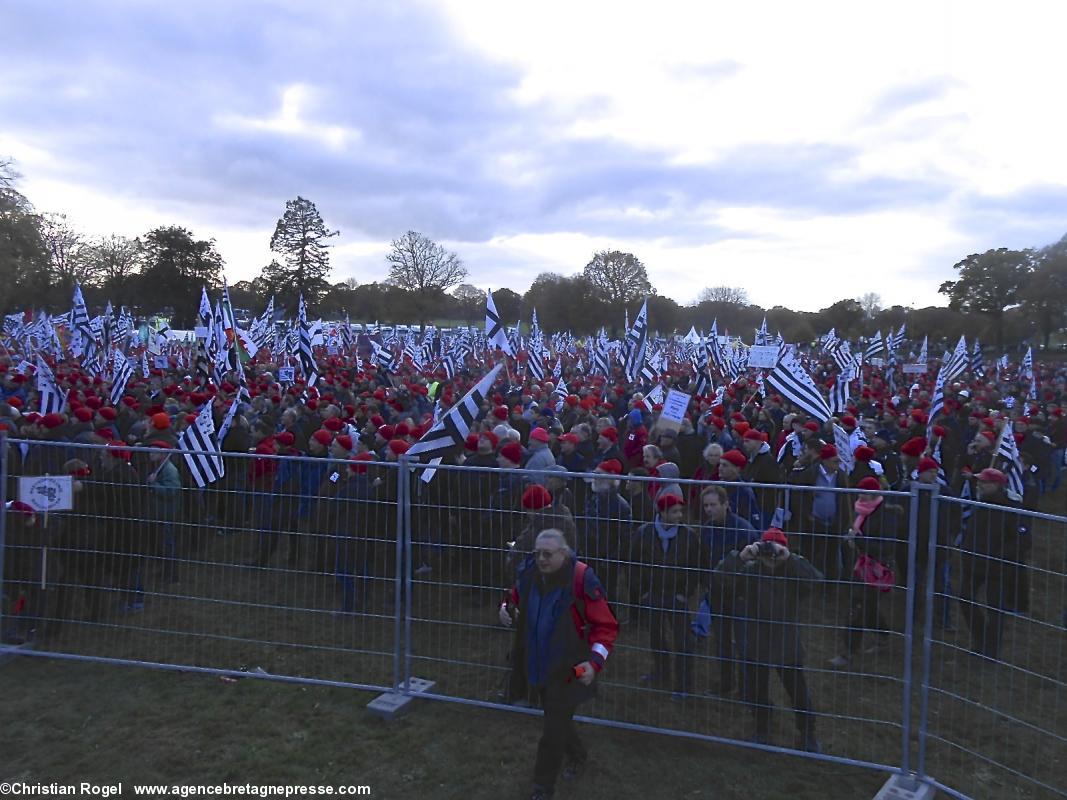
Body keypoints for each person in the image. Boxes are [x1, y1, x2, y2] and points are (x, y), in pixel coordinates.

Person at [500, 529, 619, 800]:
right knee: (557, 719)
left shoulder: (581, 579)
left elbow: (606, 625)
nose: (541, 559)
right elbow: (514, 596)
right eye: (537, 553)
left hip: (568, 669)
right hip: (536, 665)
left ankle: (542, 788)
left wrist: (595, 662)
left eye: (547, 554)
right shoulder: (529, 574)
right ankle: (577, 755)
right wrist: (505, 607)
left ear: (563, 554)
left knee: (552, 731)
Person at [713, 527, 822, 752]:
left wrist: (790, 559)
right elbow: (720, 579)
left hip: (786, 641)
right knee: (756, 690)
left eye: (775, 553)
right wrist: (741, 557)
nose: (770, 560)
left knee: (797, 691)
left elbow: (817, 581)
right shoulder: (752, 572)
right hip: (757, 640)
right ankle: (762, 726)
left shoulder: (793, 572)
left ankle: (807, 731)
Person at [629, 493, 708, 700]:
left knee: (684, 643)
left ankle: (684, 686)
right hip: (653, 595)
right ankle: (661, 672)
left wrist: (685, 594)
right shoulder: (644, 533)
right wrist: (643, 593)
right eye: (674, 511)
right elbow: (633, 564)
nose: (679, 515)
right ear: (662, 512)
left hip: (676, 597)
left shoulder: (689, 536)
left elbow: (695, 568)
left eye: (680, 511)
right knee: (657, 637)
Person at [828, 476, 905, 668]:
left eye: (865, 492)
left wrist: (859, 541)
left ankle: (848, 652)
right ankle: (883, 635)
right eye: (859, 491)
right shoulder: (861, 510)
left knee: (858, 608)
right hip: (862, 565)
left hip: (878, 569)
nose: (861, 495)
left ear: (875, 494)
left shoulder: (887, 515)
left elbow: (886, 547)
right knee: (865, 606)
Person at [696, 485, 757, 696]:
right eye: (706, 506)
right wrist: (708, 585)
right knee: (721, 642)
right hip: (716, 595)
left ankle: (746, 690)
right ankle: (725, 684)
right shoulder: (706, 530)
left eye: (713, 505)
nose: (709, 510)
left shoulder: (744, 531)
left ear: (725, 504)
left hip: (741, 596)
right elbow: (702, 562)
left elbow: (752, 568)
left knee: (743, 644)